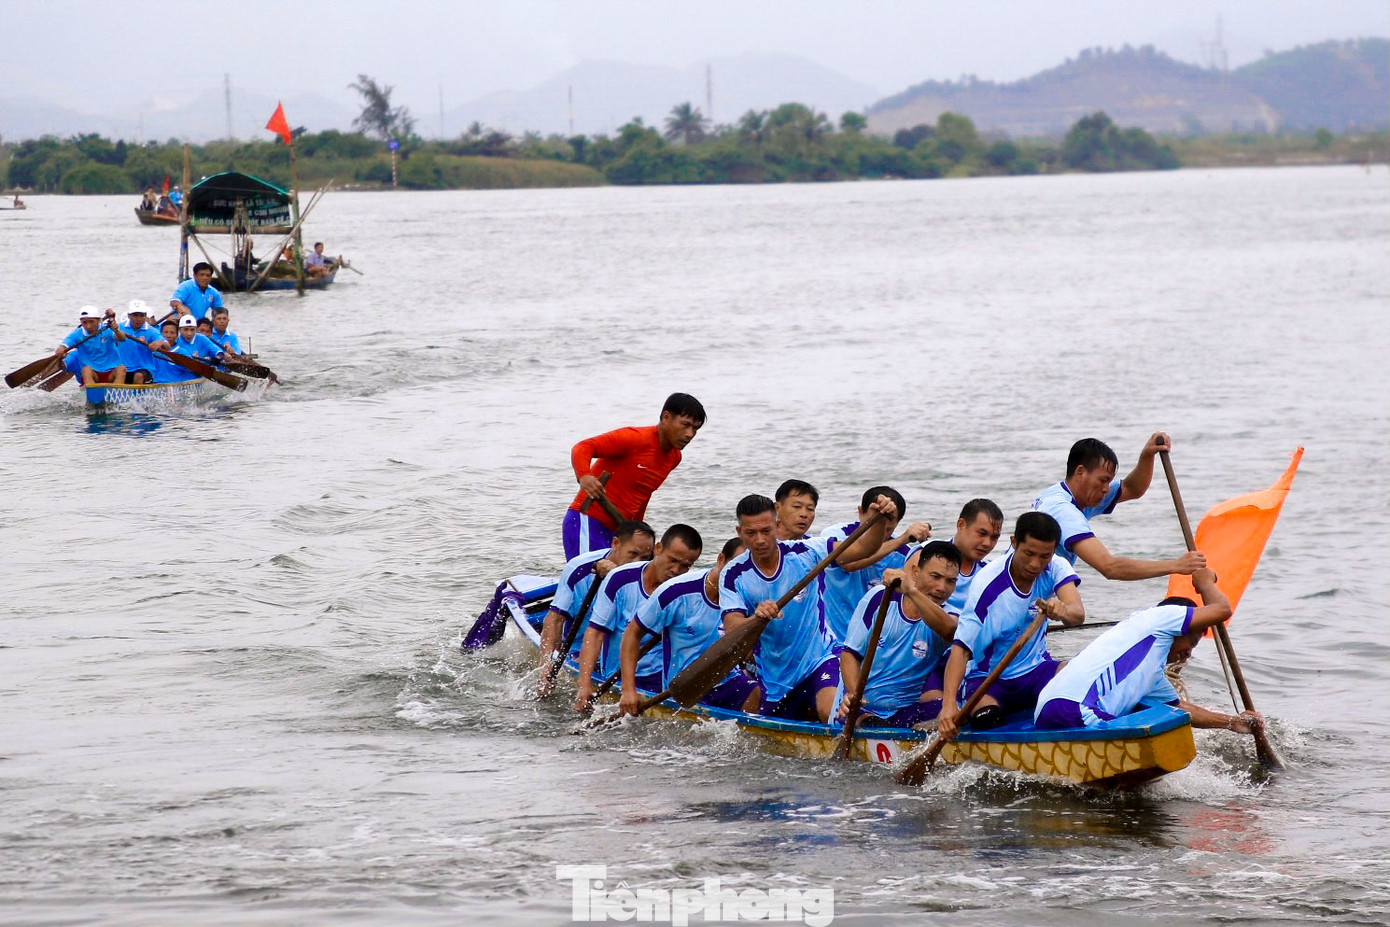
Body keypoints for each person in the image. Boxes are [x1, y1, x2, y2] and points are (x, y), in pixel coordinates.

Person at [721, 492, 896, 723]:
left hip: (820, 658)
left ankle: (863, 724)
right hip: (776, 679)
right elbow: (732, 630)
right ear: (739, 532)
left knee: (830, 712)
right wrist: (756, 617)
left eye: (766, 531)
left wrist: (879, 521)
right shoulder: (733, 574)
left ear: (777, 525)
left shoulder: (806, 551)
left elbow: (863, 548)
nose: (760, 540)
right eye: (751, 533)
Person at [1035, 569, 1263, 736]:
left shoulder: (1151, 674)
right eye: (1191, 642)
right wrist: (1205, 582)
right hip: (1075, 710)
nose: (1188, 654)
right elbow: (1222, 610)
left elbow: (1180, 709)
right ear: (1179, 627)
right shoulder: (1160, 617)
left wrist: (1232, 723)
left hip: (1048, 709)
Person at [937, 512, 1086, 740]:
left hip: (1036, 670)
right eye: (1029, 554)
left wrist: (1063, 611)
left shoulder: (1056, 566)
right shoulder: (987, 585)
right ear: (1014, 543)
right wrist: (948, 707)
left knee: (1082, 681)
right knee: (988, 719)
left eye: (1044, 556)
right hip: (989, 678)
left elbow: (1078, 615)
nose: (1035, 564)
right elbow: (961, 649)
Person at [617, 536, 762, 716]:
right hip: (684, 686)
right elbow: (632, 633)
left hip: (727, 679)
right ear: (721, 560)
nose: (741, 575)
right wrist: (628, 691)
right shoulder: (676, 591)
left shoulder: (752, 595)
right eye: (736, 566)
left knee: (755, 693)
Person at [1033, 435, 1206, 580]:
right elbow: (1109, 567)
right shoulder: (1063, 511)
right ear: (1080, 472)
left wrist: (1147, 455)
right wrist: (1177, 565)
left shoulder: (1067, 494)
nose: (1106, 489)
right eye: (1103, 480)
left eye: (1108, 481)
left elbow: (1132, 488)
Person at [575, 524, 703, 712]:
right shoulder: (620, 579)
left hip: (661, 677)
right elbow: (595, 634)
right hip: (618, 676)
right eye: (672, 560)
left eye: (685, 566)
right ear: (658, 549)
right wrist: (584, 686)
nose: (676, 570)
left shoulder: (683, 591)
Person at [835, 540, 962, 729]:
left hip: (904, 711)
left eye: (950, 581)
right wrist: (854, 695)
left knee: (959, 712)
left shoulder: (950, 616)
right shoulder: (880, 597)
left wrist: (911, 591)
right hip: (860, 709)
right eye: (935, 576)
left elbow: (949, 630)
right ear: (916, 573)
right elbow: (849, 655)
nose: (942, 588)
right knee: (867, 720)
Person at [563, 393, 705, 560]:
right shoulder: (635, 438)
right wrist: (584, 476)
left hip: (620, 531)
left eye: (695, 429)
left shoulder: (674, 458)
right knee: (587, 575)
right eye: (685, 425)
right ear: (666, 417)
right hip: (588, 520)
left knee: (616, 576)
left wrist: (638, 532)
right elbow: (583, 447)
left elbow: (643, 495)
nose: (690, 434)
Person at [535, 521, 655, 697]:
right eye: (633, 554)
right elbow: (555, 619)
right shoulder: (579, 568)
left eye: (644, 558)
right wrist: (545, 666)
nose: (637, 563)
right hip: (580, 650)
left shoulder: (649, 574)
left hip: (624, 654)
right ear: (616, 544)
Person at [819, 485, 931, 647]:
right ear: (861, 512)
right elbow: (848, 564)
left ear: (897, 523)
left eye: (887, 529)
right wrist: (901, 539)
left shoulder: (904, 554)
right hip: (831, 639)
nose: (878, 533)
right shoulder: (835, 535)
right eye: (873, 524)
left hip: (873, 643)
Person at [942, 498, 1004, 614]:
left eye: (994, 537)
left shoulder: (991, 573)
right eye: (982, 533)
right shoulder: (926, 554)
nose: (987, 543)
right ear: (961, 525)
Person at [55, 307, 126, 387]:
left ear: (98, 320)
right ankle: (92, 392)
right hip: (93, 375)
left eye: (91, 322)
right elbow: (64, 345)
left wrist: (116, 330)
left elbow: (122, 338)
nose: (88, 326)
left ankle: (117, 390)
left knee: (121, 369)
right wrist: (60, 350)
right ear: (81, 322)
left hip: (111, 373)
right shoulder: (77, 334)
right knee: (86, 370)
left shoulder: (107, 330)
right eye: (84, 322)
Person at [116, 300, 167, 384]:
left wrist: (159, 343)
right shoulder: (120, 327)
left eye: (141, 315)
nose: (138, 319)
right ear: (129, 315)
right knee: (119, 372)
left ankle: (136, 392)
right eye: (135, 315)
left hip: (144, 369)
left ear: (145, 316)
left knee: (138, 376)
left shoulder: (151, 330)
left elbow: (167, 345)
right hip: (124, 368)